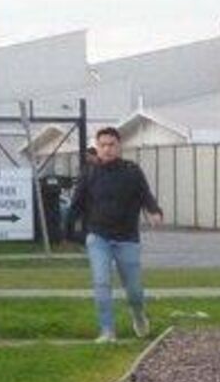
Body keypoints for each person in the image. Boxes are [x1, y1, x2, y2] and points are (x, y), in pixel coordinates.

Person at [68, 127, 161, 341]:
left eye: (111, 145)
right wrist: (69, 233)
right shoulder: (89, 173)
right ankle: (107, 330)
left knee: (134, 291)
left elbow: (146, 196)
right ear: (97, 148)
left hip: (127, 239)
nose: (107, 149)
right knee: (101, 282)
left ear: (119, 147)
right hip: (98, 237)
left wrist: (154, 211)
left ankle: (138, 315)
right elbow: (76, 205)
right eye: (103, 145)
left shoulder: (132, 171)